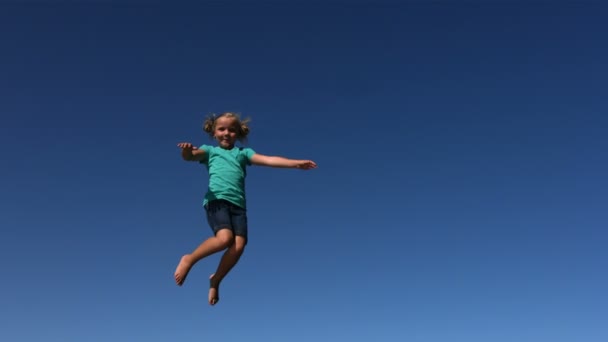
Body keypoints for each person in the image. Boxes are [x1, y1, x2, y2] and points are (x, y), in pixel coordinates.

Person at [174, 112, 317, 306]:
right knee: (224, 239)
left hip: (238, 207)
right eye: (221, 129)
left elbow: (268, 160)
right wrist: (187, 150)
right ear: (214, 133)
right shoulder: (210, 151)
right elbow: (190, 157)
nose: (226, 133)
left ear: (238, 133)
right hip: (217, 201)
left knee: (239, 246)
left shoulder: (243, 154)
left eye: (232, 130)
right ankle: (189, 259)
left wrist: (295, 164)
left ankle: (215, 280)